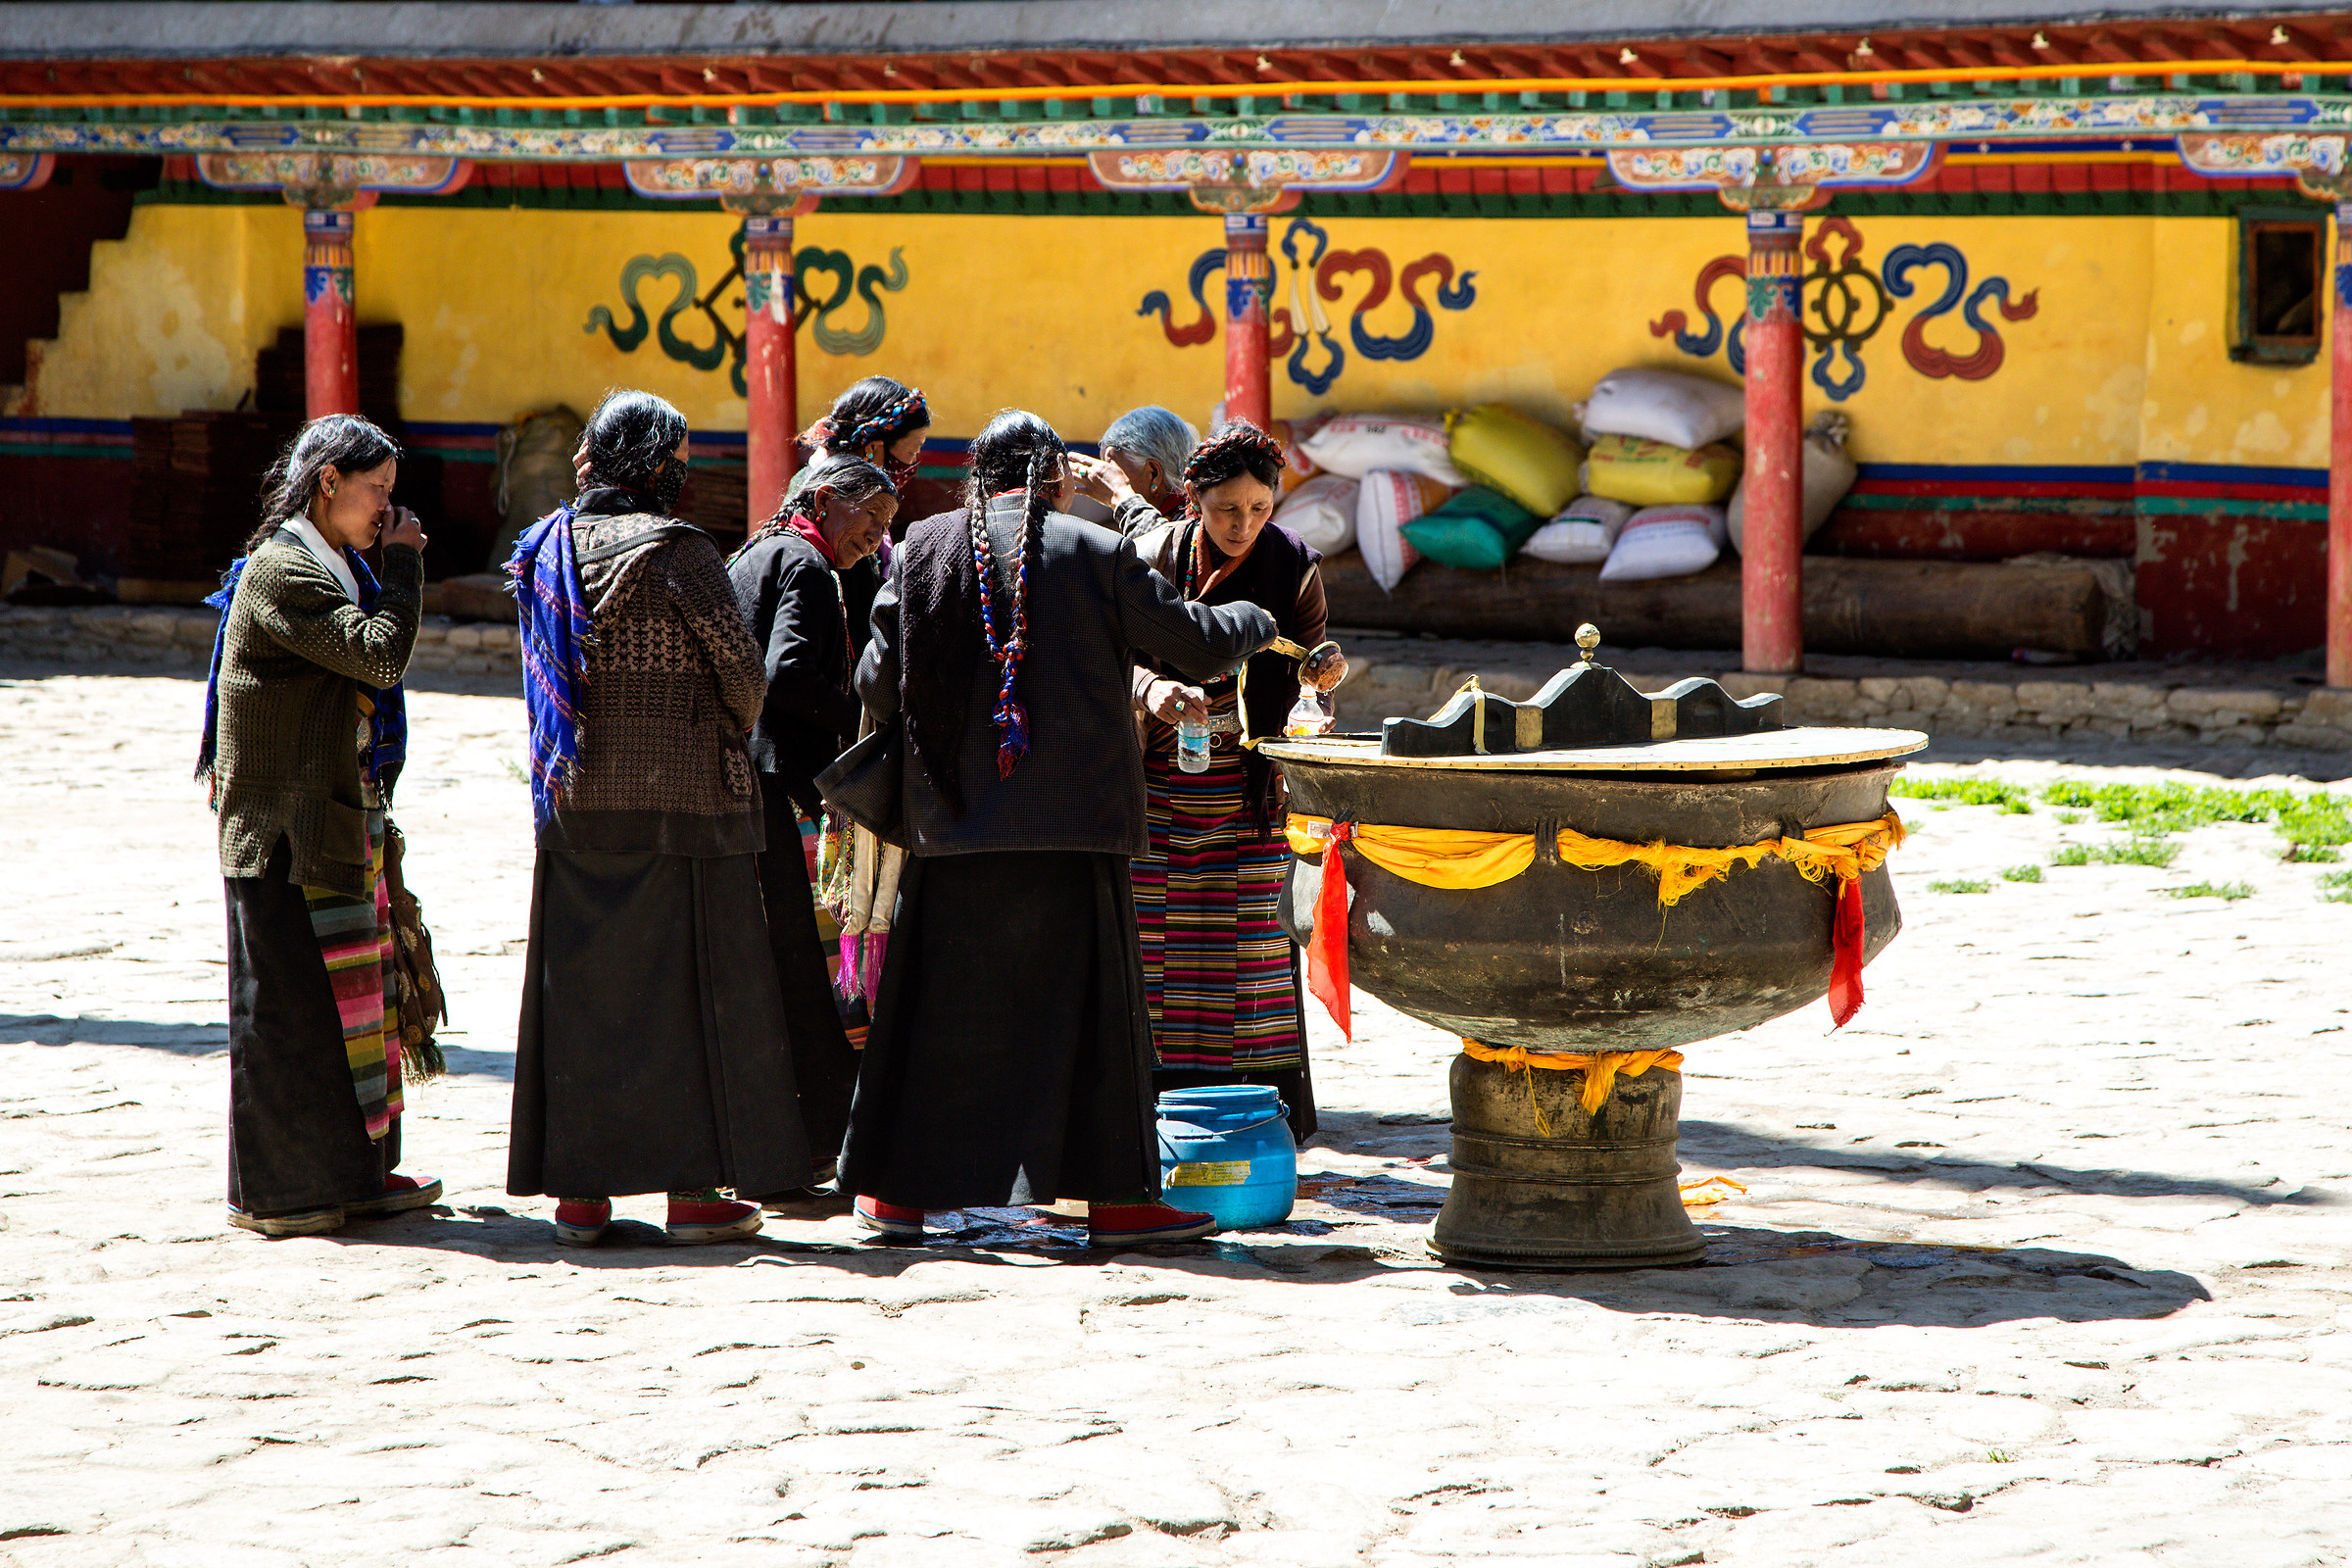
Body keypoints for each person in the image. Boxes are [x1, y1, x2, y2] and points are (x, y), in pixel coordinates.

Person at [837, 409, 1278, 1248]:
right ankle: (1114, 1204)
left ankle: (893, 1197)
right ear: (1058, 481)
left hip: (953, 825)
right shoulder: (1097, 550)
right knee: (1097, 1021)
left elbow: (876, 683)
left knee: (934, 1013)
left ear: (980, 475)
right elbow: (1189, 643)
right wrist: (1256, 621)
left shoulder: (925, 547)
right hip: (1075, 826)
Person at [506, 389, 809, 1248]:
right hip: (684, 805)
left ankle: (582, 1198)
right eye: (677, 456)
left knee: (587, 1001)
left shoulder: (544, 549)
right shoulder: (681, 551)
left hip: (575, 805)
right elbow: (746, 680)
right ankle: (692, 1196)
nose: (686, 471)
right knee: (695, 1000)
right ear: (657, 466)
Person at [198, 414, 439, 1238]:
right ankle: (281, 1191)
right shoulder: (283, 571)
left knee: (352, 1007)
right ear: (329, 482)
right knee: (288, 1014)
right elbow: (379, 657)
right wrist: (406, 563)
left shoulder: (330, 561)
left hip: (328, 821)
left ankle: (352, 1174)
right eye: (376, 491)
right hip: (281, 833)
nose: (386, 510)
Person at [1117, 421, 1337, 1140]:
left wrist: (1321, 681)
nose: (1243, 525)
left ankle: (1253, 1108)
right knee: (1156, 941)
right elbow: (1117, 654)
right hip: (1159, 774)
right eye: (1225, 511)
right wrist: (1152, 692)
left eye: (1259, 509)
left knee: (1249, 945)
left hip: (1250, 784)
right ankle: (1154, 1105)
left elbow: (1312, 660)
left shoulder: (1294, 565)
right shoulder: (1153, 558)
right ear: (1193, 500)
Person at [726, 452, 899, 1189]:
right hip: (784, 783)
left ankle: (783, 1141)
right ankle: (808, 1142)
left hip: (746, 783)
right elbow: (786, 671)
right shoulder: (805, 565)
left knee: (778, 965)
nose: (876, 537)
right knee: (805, 968)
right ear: (826, 500)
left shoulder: (758, 553)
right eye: (871, 520)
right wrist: (864, 725)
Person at [1097, 404, 1198, 530]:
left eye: (1116, 473)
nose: (1109, 481)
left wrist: (1125, 502)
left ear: (1153, 474)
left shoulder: (1191, 526)